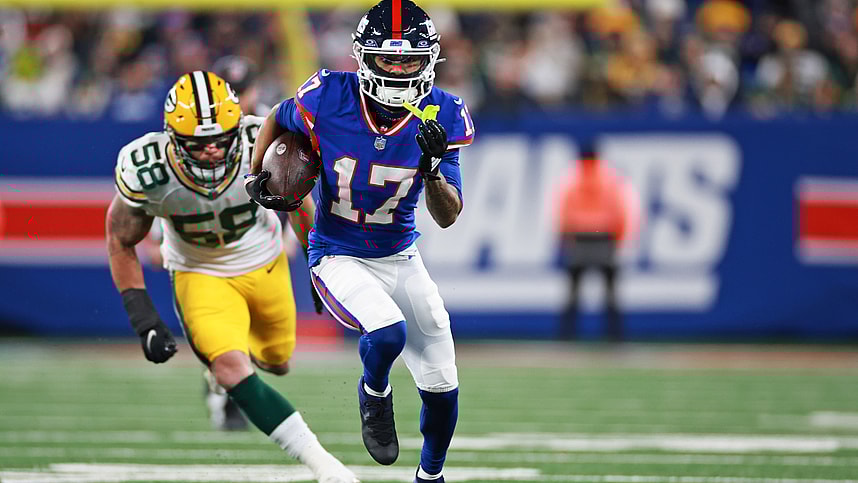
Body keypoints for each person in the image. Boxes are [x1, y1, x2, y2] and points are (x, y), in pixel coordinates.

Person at [244, 2, 474, 481]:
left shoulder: (442, 111)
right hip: (337, 251)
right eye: (386, 59)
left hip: (400, 252)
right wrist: (257, 173)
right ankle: (374, 393)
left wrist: (432, 168)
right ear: (363, 57)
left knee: (443, 380)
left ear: (429, 59)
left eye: (408, 60)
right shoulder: (329, 93)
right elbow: (278, 117)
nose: (396, 69)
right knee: (389, 331)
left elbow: (448, 215)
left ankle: (430, 476)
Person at [105, 71, 358, 483]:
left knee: (277, 363)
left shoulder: (262, 140)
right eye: (196, 143)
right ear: (171, 137)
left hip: (264, 262)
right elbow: (120, 239)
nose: (209, 152)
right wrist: (143, 316)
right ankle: (326, 467)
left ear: (237, 126)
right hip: (197, 271)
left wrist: (320, 262)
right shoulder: (147, 167)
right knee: (230, 367)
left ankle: (229, 361)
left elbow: (298, 203)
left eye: (218, 139)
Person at [556, 144, 635, 342]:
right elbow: (621, 210)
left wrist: (565, 238)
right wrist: (619, 238)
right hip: (604, 238)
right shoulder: (610, 179)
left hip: (580, 238)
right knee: (611, 293)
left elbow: (563, 212)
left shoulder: (572, 179)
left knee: (573, 293)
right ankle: (615, 337)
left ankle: (567, 337)